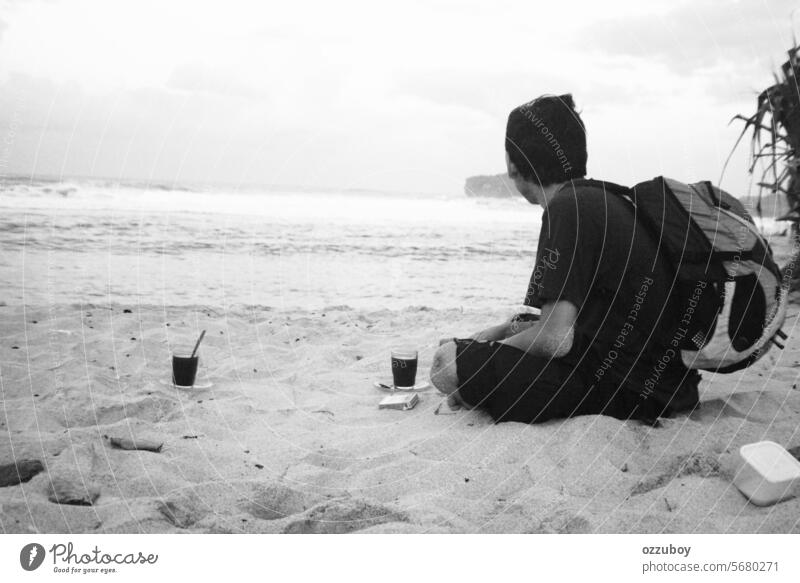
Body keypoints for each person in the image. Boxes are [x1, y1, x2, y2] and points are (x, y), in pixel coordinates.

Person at [430, 94, 701, 424]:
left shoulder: (567, 209)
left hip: (630, 391)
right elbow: (570, 322)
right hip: (669, 384)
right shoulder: (604, 198)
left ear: (513, 164)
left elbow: (555, 338)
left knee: (448, 362)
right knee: (498, 336)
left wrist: (486, 352)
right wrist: (496, 333)